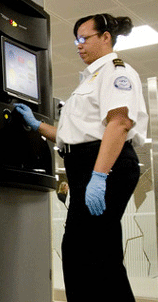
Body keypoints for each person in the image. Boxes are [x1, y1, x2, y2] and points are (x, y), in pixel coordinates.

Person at [15, 13, 148, 301]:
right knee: (97, 252)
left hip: (104, 164)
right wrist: (37, 125)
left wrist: (99, 176)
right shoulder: (91, 79)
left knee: (86, 253)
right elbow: (74, 135)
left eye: (84, 38)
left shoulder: (116, 72)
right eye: (76, 39)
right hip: (87, 164)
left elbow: (119, 123)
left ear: (105, 37)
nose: (78, 45)